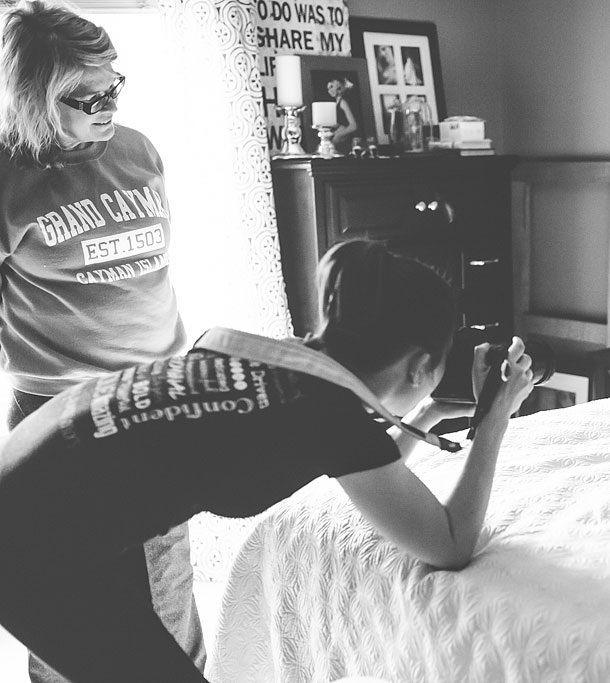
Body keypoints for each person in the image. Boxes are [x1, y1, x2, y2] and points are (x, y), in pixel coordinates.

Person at [0, 239, 535, 683]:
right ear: (420, 365)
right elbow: (449, 545)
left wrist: (429, 410)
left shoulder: (275, 362)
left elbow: (365, 468)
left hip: (43, 479)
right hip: (35, 543)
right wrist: (495, 421)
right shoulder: (331, 418)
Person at [0, 1, 204, 681]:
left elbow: (151, 278)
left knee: (170, 605)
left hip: (155, 402)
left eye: (115, 83)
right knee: (74, 626)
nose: (108, 103)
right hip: (61, 419)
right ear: (33, 98)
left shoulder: (140, 150)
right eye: (87, 96)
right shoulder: (8, 177)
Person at [325, 77, 358, 153]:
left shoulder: (343, 102)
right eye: (328, 88)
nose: (330, 90)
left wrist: (338, 135)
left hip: (344, 141)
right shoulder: (337, 103)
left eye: (332, 87)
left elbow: (354, 126)